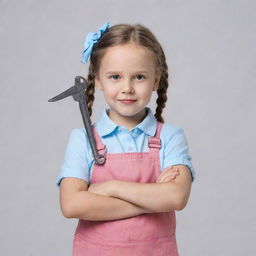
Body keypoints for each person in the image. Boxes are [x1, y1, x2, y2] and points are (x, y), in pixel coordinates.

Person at [56, 21, 196, 256]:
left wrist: (108, 188)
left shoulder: (170, 137)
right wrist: (152, 196)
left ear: (156, 80)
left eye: (139, 76)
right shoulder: (82, 139)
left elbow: (176, 197)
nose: (127, 88)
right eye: (115, 77)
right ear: (97, 80)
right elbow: (72, 205)